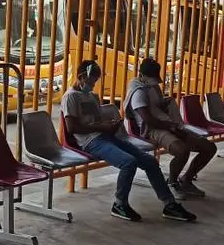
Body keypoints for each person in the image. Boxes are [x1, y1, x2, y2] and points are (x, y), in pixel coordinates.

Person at [62, 59, 197, 223]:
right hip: (91, 142)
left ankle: (169, 204)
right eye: (92, 80)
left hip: (107, 137)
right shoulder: (70, 97)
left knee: (150, 162)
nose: (93, 84)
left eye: (95, 81)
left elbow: (95, 121)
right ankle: (120, 204)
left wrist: (109, 125)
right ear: (82, 76)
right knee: (128, 163)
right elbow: (72, 128)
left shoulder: (91, 96)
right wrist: (102, 127)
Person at [122, 57, 216, 199]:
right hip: (152, 130)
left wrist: (167, 108)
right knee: (182, 151)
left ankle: (186, 180)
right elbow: (148, 120)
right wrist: (170, 126)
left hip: (166, 124)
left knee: (209, 148)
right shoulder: (138, 92)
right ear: (142, 75)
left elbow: (157, 107)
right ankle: (172, 183)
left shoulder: (152, 87)